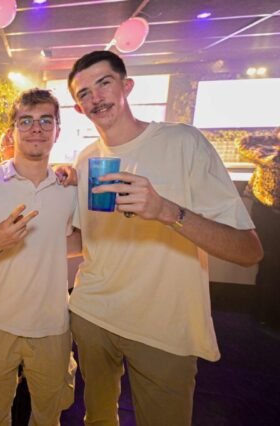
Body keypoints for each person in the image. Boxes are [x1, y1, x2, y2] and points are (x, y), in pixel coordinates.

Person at [67, 50, 263, 426]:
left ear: (127, 86)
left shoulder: (183, 142)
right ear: (79, 108)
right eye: (84, 93)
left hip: (162, 326)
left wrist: (166, 211)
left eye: (104, 83)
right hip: (93, 314)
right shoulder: (87, 158)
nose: (96, 97)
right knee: (98, 417)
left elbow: (248, 250)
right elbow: (86, 239)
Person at [0, 88, 78, 426]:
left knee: (48, 416)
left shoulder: (70, 188)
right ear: (12, 131)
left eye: (45, 121)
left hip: (53, 325)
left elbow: (79, 241)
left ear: (57, 130)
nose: (36, 128)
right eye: (26, 121)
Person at [237, 130, 280, 329]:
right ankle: (265, 314)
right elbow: (242, 143)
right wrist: (274, 138)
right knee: (269, 264)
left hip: (268, 212)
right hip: (267, 213)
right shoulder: (268, 151)